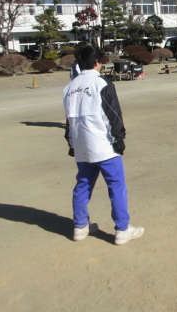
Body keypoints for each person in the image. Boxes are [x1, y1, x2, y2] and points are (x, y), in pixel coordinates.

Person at [63, 45, 144, 245]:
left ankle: (80, 226)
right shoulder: (101, 83)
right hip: (103, 145)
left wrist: (71, 143)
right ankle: (122, 229)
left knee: (83, 184)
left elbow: (69, 120)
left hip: (81, 145)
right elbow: (113, 114)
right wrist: (119, 139)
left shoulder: (69, 88)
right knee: (116, 186)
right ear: (97, 62)